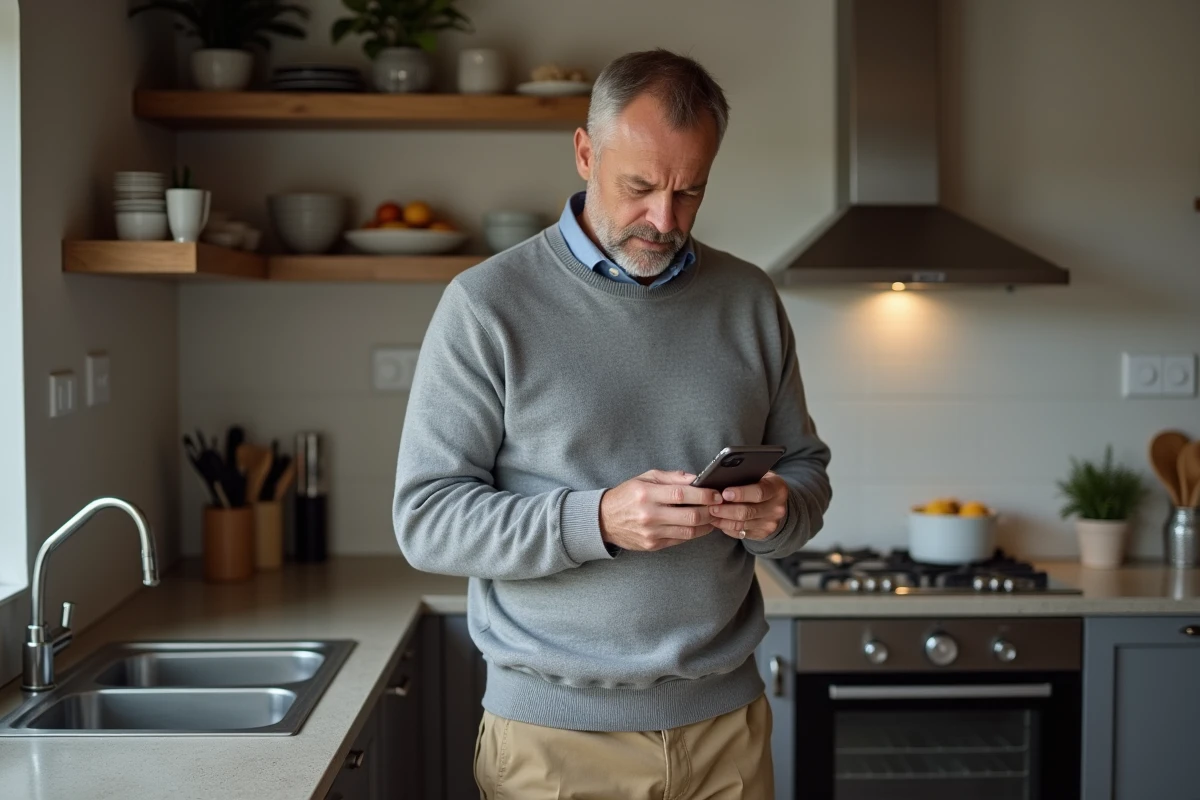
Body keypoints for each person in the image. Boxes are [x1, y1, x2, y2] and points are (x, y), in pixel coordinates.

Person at [394, 48, 831, 799]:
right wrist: (596, 519)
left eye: (689, 192)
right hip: (555, 743)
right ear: (585, 152)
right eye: (639, 187)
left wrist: (778, 510)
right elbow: (426, 520)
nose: (664, 221)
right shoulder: (486, 306)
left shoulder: (749, 300)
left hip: (727, 728)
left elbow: (806, 471)